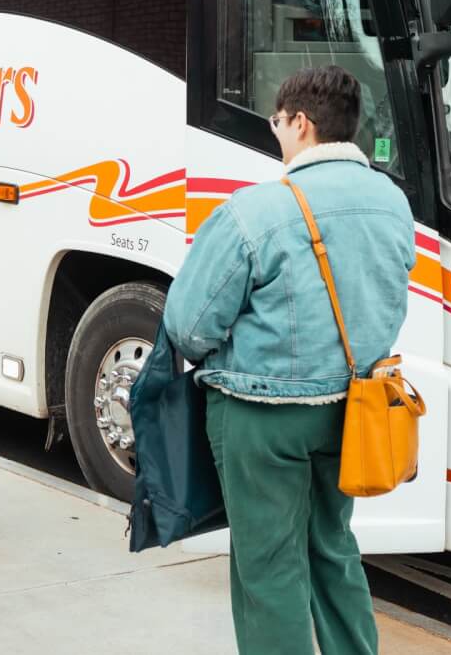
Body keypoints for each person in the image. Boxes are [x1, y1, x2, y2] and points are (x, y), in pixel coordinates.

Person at [163, 66, 415, 655]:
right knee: (333, 547)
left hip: (262, 415)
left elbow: (187, 325)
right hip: (353, 409)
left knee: (269, 565)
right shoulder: (392, 203)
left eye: (277, 122)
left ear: (300, 123)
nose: (276, 132)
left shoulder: (255, 210)